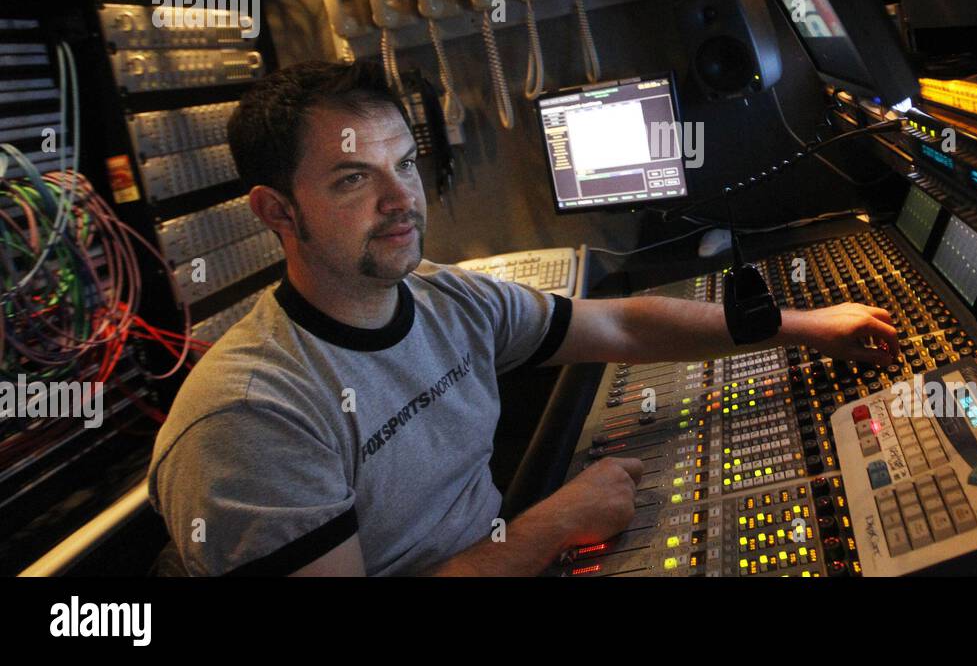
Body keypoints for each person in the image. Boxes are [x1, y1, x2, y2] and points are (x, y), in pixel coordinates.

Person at [148, 60, 899, 575]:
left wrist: (803, 325)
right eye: (354, 180)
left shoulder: (447, 300)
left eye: (405, 164)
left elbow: (622, 327)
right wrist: (552, 526)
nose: (401, 199)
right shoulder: (251, 416)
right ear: (276, 210)